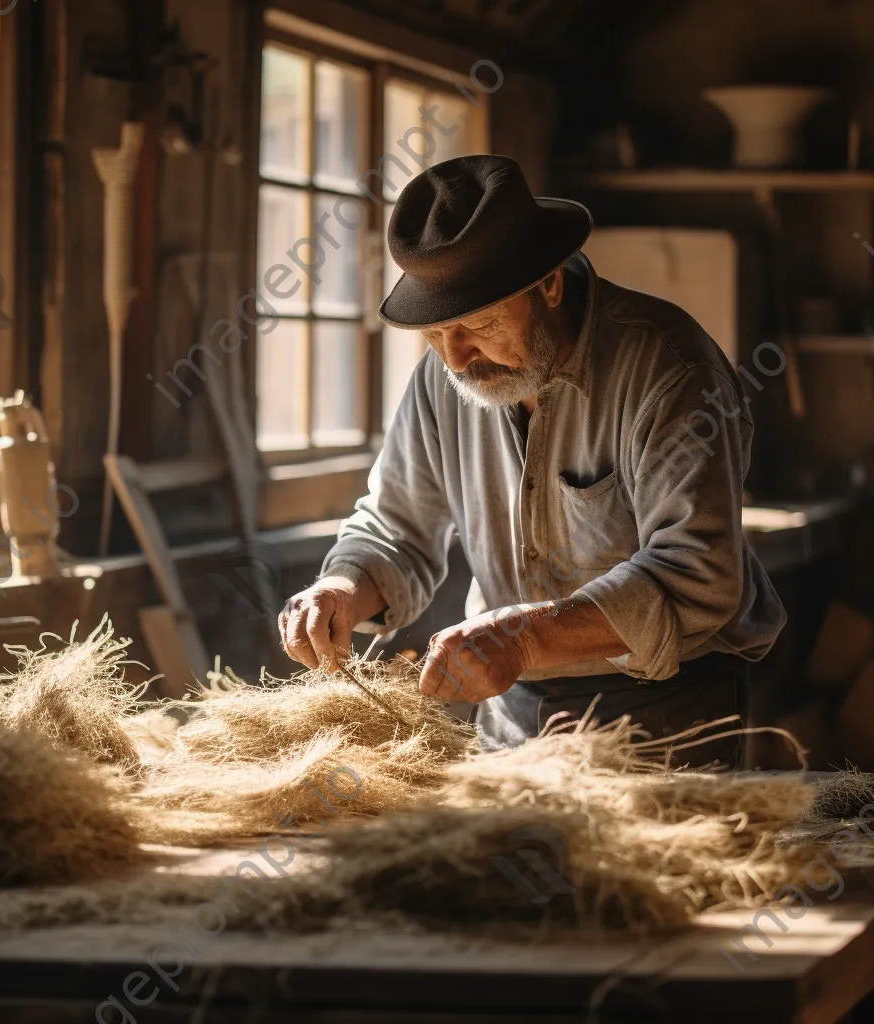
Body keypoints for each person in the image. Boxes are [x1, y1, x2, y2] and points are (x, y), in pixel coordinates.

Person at [278, 154, 785, 768]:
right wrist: (343, 587)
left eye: (479, 325)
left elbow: (700, 574)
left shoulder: (668, 367)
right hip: (513, 710)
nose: (458, 359)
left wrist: (524, 639)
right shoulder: (444, 381)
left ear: (549, 284)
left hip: (663, 711)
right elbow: (396, 529)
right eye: (435, 335)